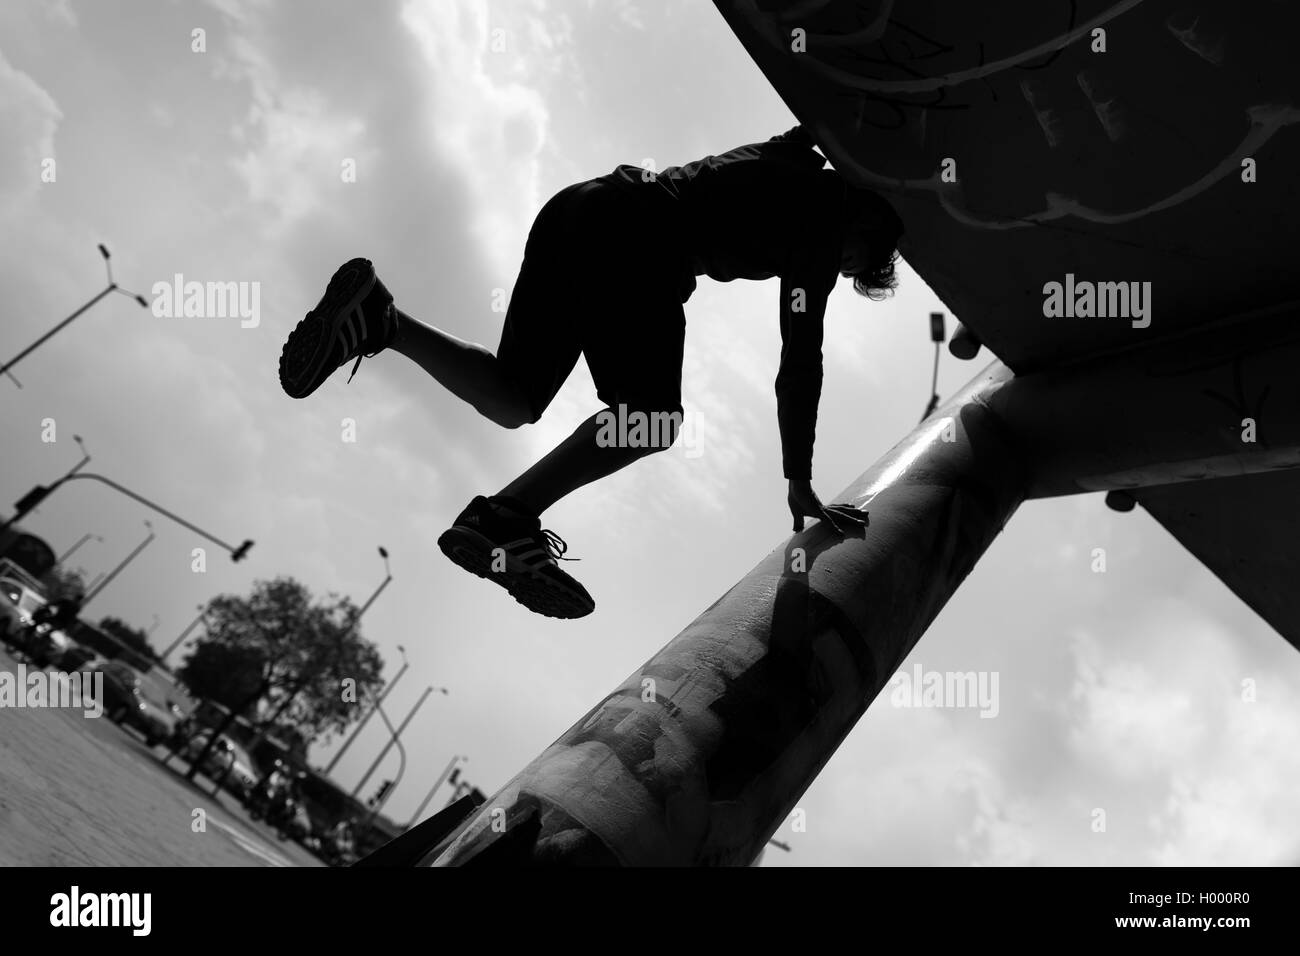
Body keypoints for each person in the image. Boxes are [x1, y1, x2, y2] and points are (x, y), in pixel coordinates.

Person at [278, 126, 903, 619]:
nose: (837, 269)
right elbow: (801, 357)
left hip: (580, 212)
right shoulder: (827, 212)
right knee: (652, 421)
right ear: (865, 221)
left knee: (514, 396)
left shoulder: (791, 152)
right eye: (853, 261)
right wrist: (799, 478)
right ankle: (502, 520)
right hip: (638, 245)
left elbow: (822, 124)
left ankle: (381, 319)